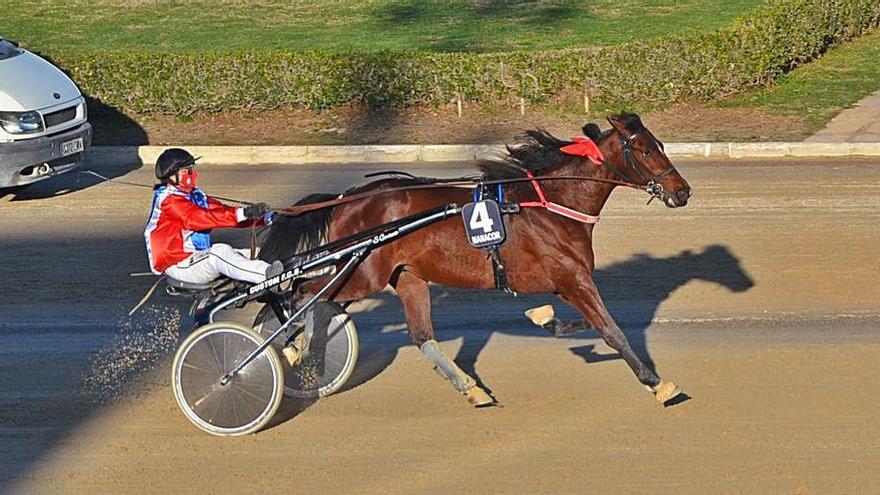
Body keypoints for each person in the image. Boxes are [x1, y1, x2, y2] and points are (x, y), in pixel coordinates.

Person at [144, 148, 282, 286]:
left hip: (198, 258)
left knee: (256, 253)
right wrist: (243, 213)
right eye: (188, 171)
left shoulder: (195, 195)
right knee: (219, 252)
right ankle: (266, 275)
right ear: (172, 176)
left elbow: (222, 212)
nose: (194, 175)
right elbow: (198, 218)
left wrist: (265, 218)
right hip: (179, 264)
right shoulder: (168, 200)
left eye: (193, 170)